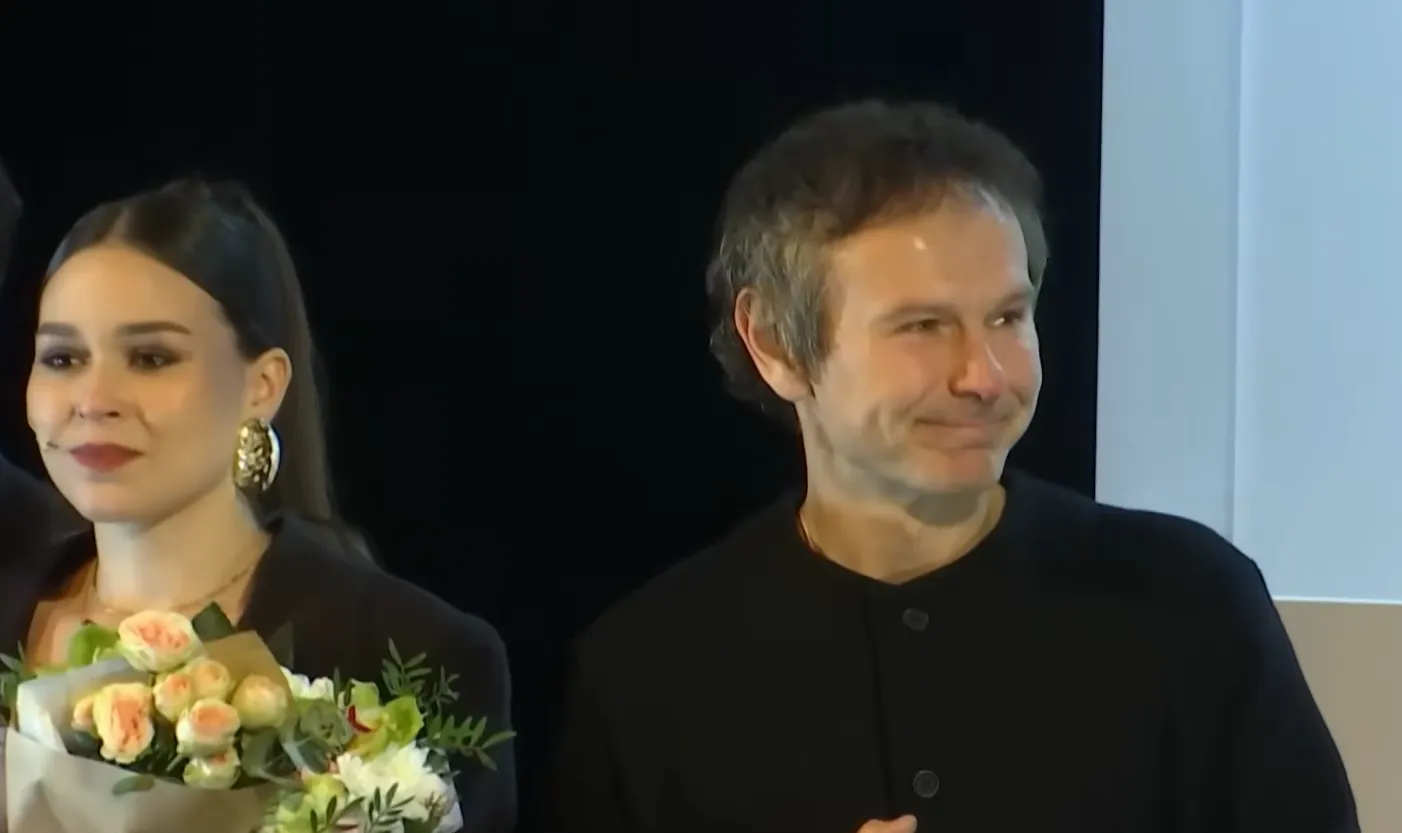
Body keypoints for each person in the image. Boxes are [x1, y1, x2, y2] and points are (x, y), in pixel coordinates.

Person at [536, 100, 1357, 833]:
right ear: (775, 344)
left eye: (1008, 317)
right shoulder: (648, 671)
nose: (985, 377)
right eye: (924, 326)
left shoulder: (1191, 603)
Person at [0, 177, 516, 830]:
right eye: (63, 358)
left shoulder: (410, 648)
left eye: (151, 357)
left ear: (262, 385)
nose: (94, 399)